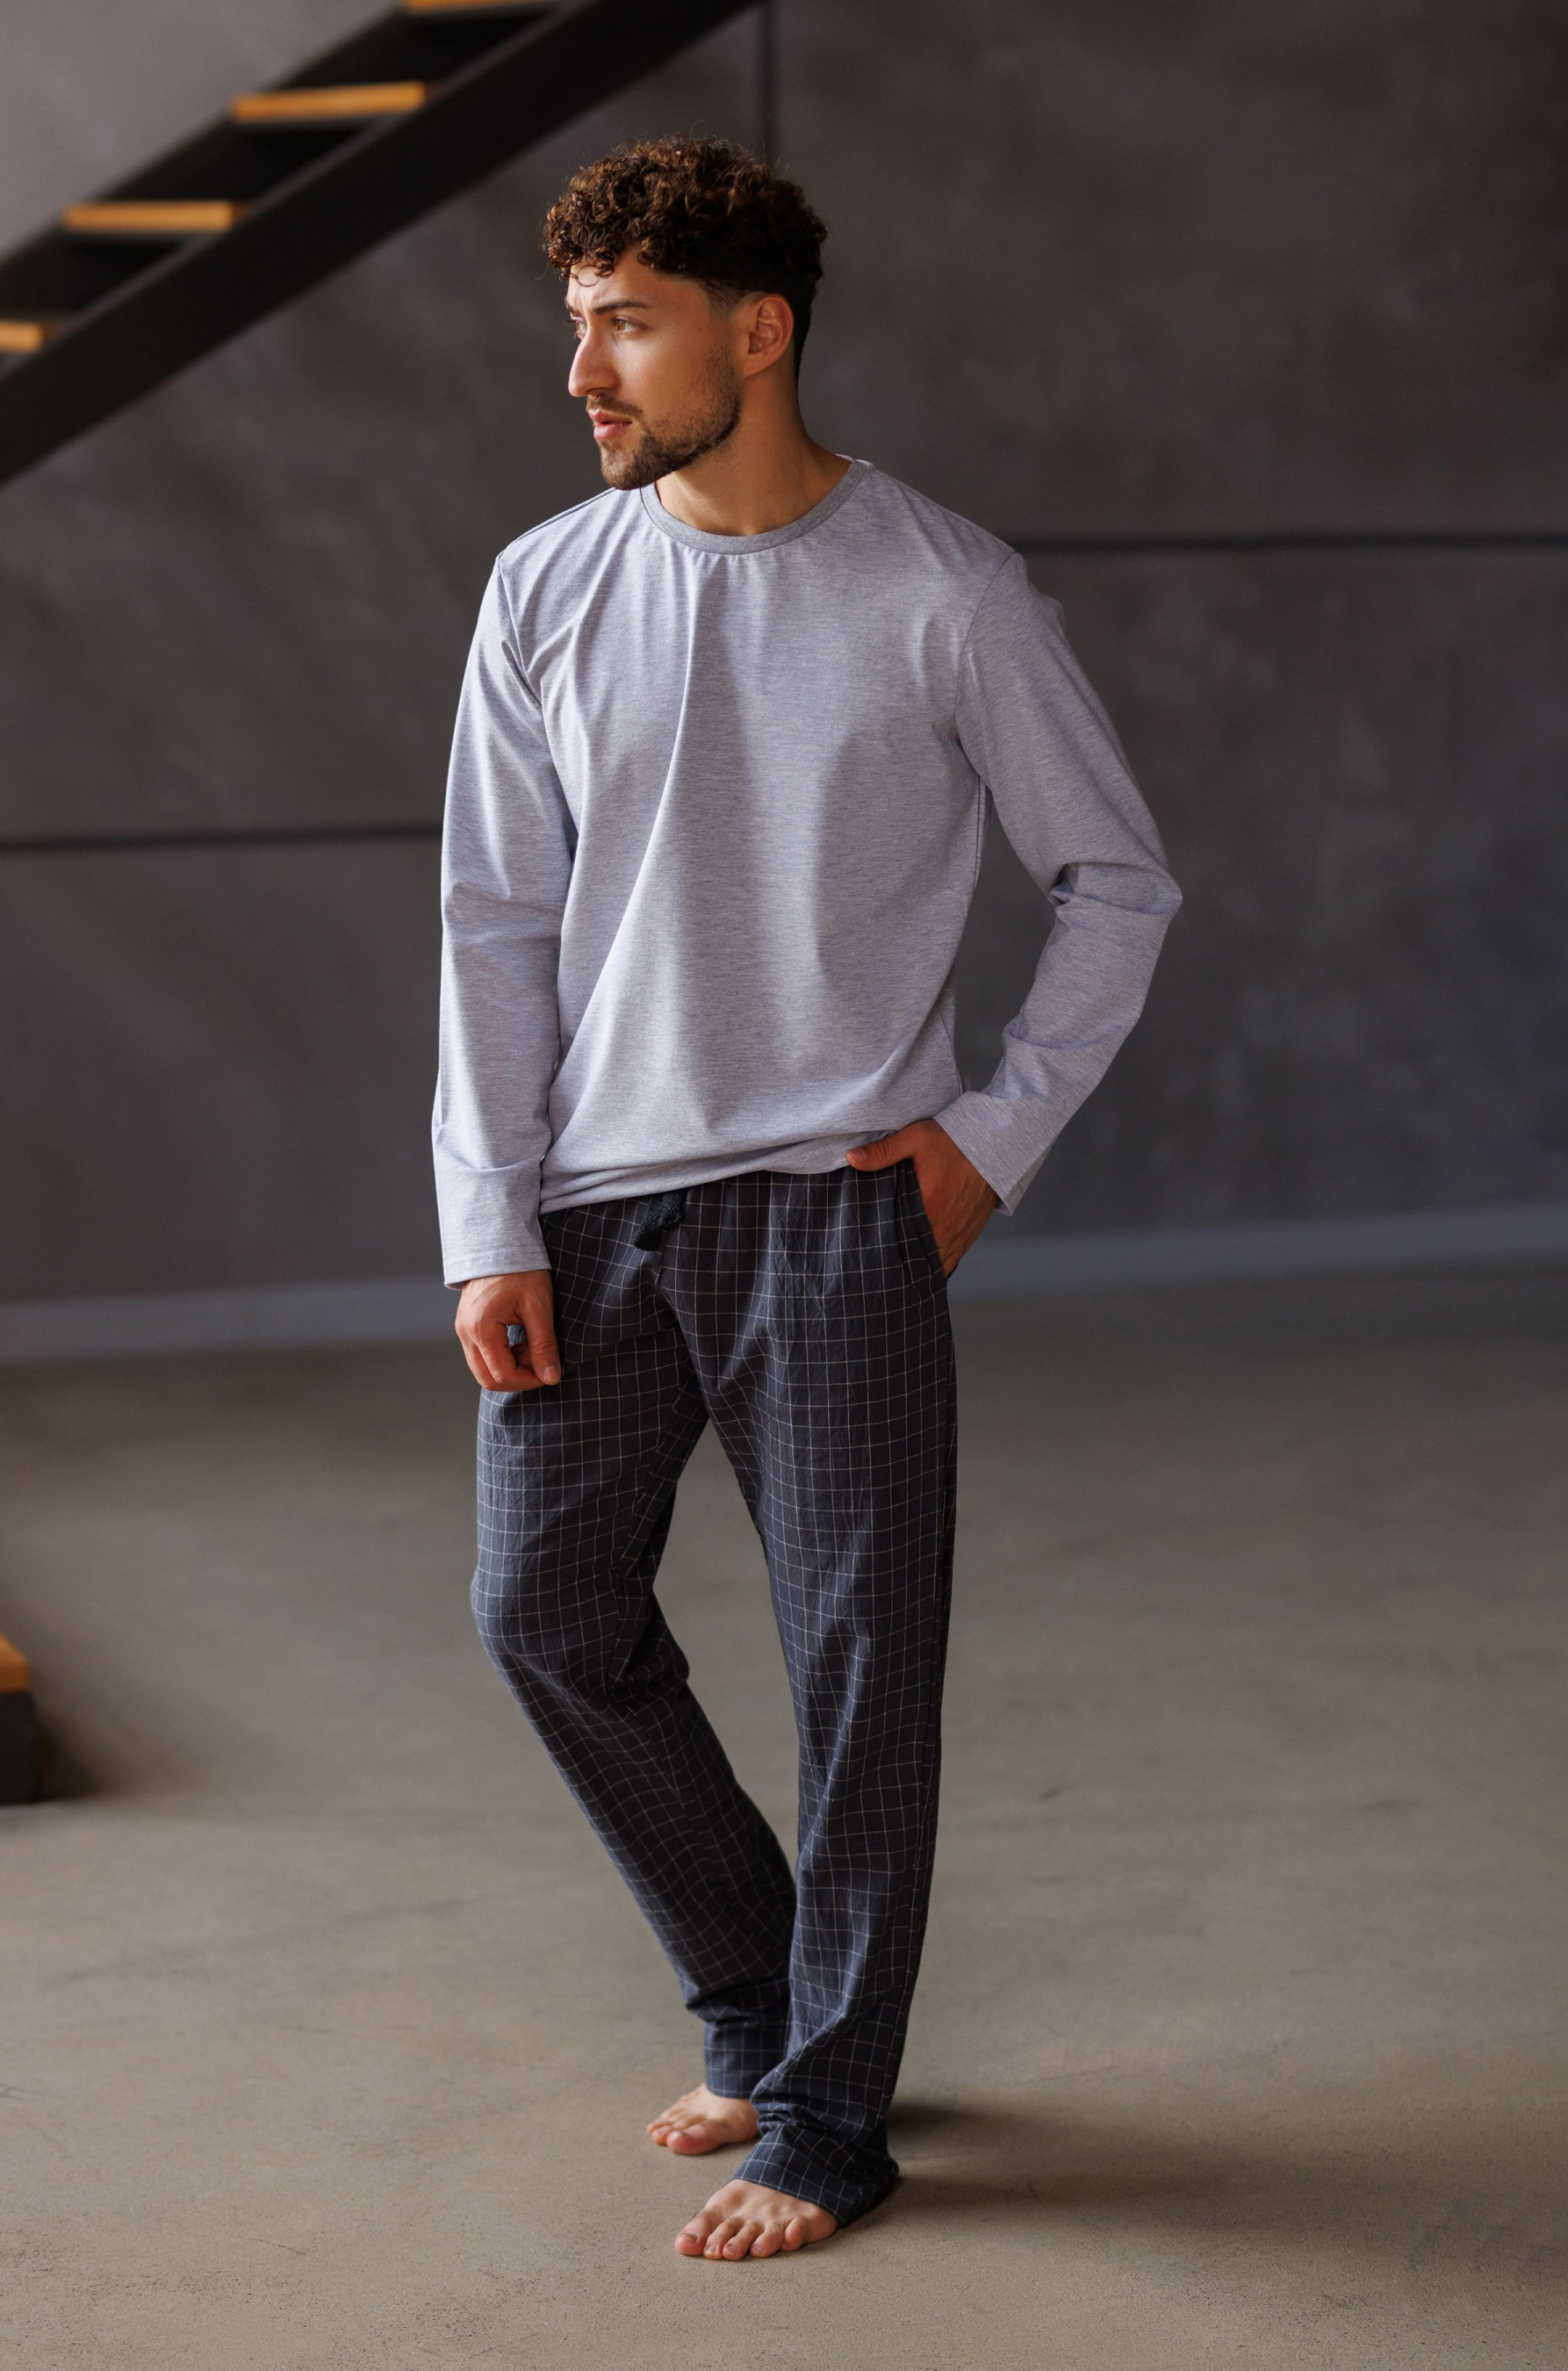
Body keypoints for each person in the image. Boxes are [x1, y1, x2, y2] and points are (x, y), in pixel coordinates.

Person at [433, 136, 1180, 2262]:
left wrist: (986, 1138)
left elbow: (1116, 880)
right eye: (575, 323)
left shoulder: (945, 593)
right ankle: (765, 2011)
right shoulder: (543, 586)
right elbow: (493, 925)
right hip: (596, 1208)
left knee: (859, 1671)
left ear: (753, 335)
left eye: (625, 323)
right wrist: (489, 1219)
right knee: (543, 1614)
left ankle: (829, 2117)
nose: (581, 370)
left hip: (841, 1212)